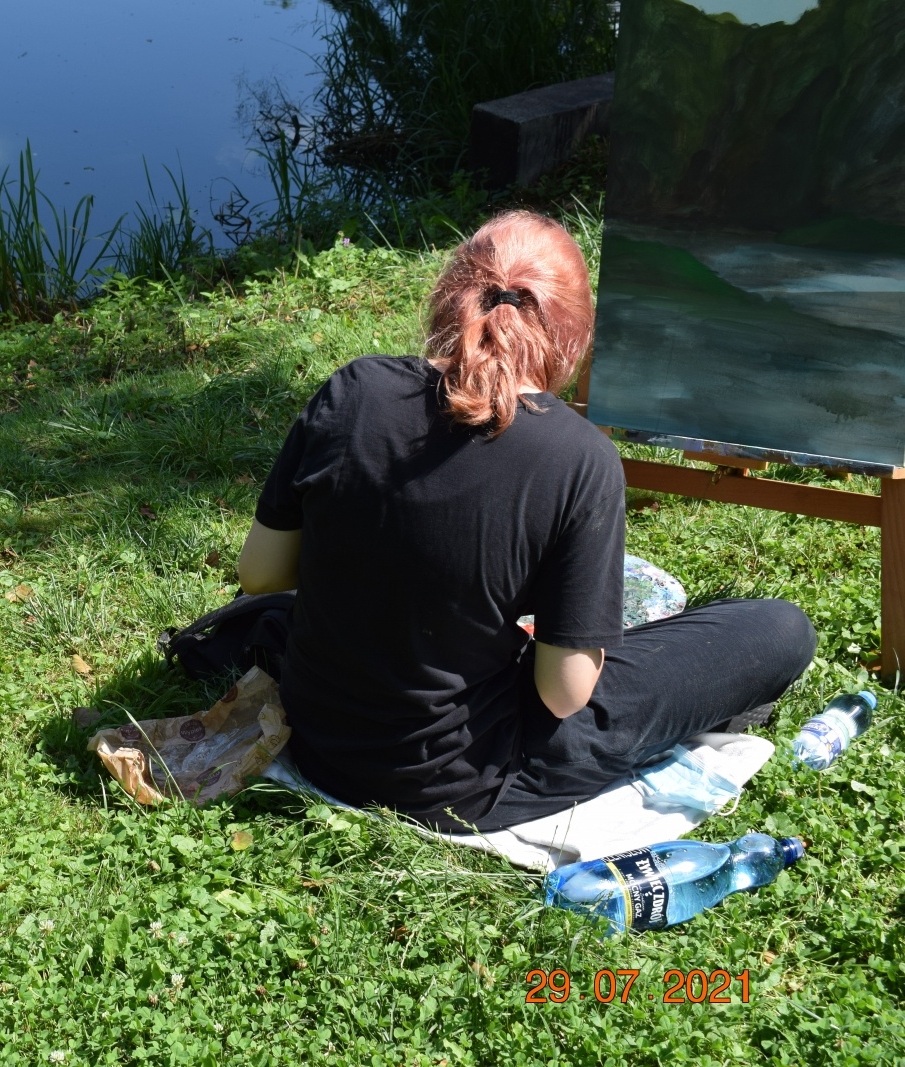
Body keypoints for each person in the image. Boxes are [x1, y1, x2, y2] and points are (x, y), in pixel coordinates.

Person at [236, 211, 816, 833]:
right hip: (460, 776)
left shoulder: (353, 391)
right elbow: (562, 693)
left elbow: (262, 574)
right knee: (778, 628)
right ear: (571, 332)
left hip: (317, 736)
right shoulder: (578, 457)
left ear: (448, 297)